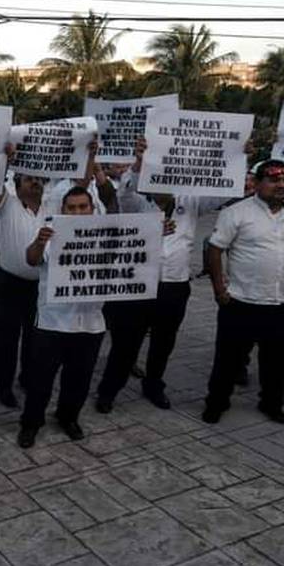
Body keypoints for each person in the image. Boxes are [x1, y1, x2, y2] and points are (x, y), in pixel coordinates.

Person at [98, 138, 218, 411]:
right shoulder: (136, 200)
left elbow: (224, 191)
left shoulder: (191, 201)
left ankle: (154, 384)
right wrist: (139, 163)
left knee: (164, 341)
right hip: (137, 282)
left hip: (174, 284)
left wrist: (238, 158)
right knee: (126, 342)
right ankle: (109, 389)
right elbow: (123, 195)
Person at [202, 159, 284, 426]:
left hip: (282, 304)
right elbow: (215, 249)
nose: (281, 185)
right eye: (274, 180)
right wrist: (219, 290)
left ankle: (272, 403)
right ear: (258, 182)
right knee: (228, 361)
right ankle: (217, 403)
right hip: (241, 301)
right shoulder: (236, 212)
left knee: (279, 363)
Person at [17, 185, 105, 447]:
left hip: (90, 322)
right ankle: (31, 423)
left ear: (91, 209)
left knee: (79, 379)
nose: (77, 211)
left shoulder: (107, 234)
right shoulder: (51, 231)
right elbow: (31, 260)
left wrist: (157, 234)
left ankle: (68, 417)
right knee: (40, 379)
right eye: (72, 207)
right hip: (52, 321)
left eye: (83, 206)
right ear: (63, 209)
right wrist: (40, 241)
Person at [0, 173, 45, 408]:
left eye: (38, 178)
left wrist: (91, 153)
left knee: (34, 337)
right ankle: (4, 386)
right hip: (9, 284)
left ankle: (27, 377)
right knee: (7, 339)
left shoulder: (52, 204)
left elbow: (82, 185)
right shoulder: (8, 204)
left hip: (40, 285)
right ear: (17, 185)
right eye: (27, 179)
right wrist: (3, 154)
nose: (34, 182)